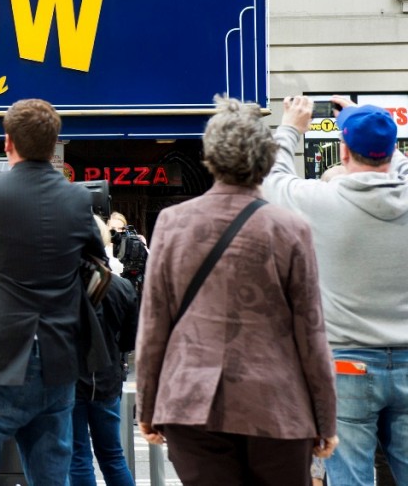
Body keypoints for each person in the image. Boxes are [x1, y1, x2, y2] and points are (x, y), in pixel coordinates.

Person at [137, 96, 338, 485]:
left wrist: (147, 405)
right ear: (264, 159)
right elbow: (311, 332)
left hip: (191, 402)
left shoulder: (172, 224)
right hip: (277, 404)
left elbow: (154, 325)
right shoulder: (290, 228)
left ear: (211, 157)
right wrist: (325, 417)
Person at [0, 98, 106, 486]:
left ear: (8, 141)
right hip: (56, 357)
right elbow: (95, 263)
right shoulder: (78, 198)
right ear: (54, 144)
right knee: (51, 477)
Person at [262, 95, 408, 486]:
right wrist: (363, 122)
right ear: (393, 151)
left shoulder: (321, 201)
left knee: (349, 477)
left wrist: (291, 126)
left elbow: (270, 176)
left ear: (343, 151)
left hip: (348, 364)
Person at [71, 250, 138, 486]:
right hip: (108, 376)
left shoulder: (65, 284)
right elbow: (130, 339)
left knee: (78, 457)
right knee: (112, 456)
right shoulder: (122, 286)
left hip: (72, 376)